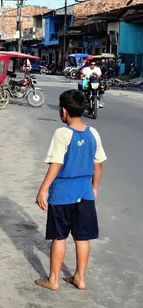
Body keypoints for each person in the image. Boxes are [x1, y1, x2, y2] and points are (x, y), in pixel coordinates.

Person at [35, 89, 107, 291]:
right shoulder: (93, 133)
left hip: (62, 194)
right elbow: (98, 164)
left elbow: (56, 163)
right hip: (84, 192)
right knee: (81, 238)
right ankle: (80, 278)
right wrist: (94, 187)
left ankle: (53, 280)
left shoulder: (62, 133)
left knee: (59, 237)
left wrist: (43, 189)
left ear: (64, 111)